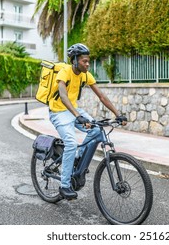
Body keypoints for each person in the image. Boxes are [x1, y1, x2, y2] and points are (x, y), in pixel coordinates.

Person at [49, 43, 127, 200]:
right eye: (84, 61)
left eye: (88, 61)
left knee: (97, 129)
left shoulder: (85, 75)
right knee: (71, 143)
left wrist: (118, 114)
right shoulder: (65, 72)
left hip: (74, 111)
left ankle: (78, 158)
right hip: (58, 111)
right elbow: (63, 95)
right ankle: (64, 185)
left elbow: (102, 96)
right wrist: (77, 115)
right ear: (75, 60)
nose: (87, 64)